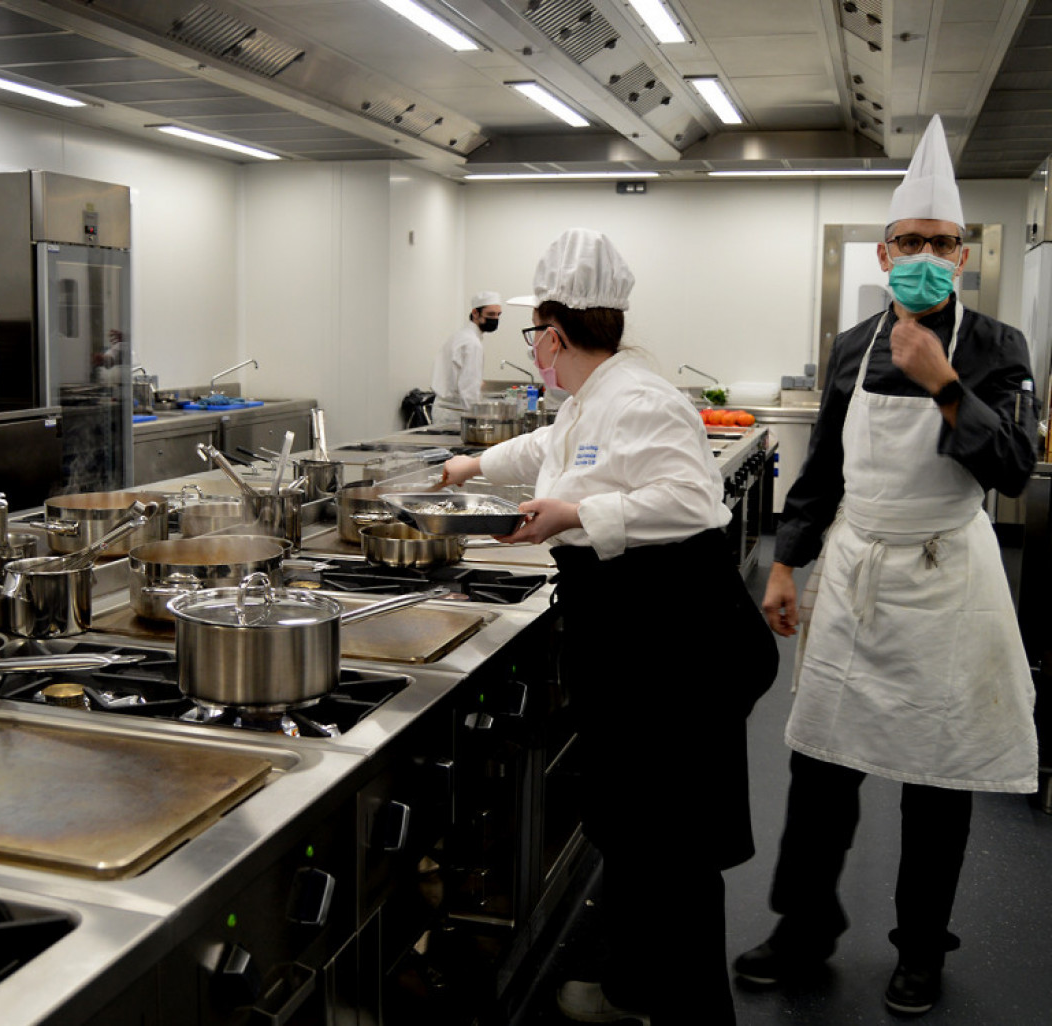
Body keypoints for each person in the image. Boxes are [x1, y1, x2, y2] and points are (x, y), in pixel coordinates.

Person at [735, 114, 1040, 1016]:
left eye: (941, 244)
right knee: (820, 767)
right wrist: (786, 566)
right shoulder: (849, 347)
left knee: (936, 775)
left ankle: (919, 950)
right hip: (856, 570)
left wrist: (945, 382)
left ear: (964, 257)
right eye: (908, 240)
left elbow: (1013, 471)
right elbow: (823, 466)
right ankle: (803, 928)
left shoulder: (996, 348)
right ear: (882, 252)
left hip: (946, 575)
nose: (924, 255)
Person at [441, 229, 778, 1025]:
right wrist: (472, 468)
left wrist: (575, 512)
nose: (532, 351)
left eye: (534, 337)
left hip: (673, 646)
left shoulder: (642, 397)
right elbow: (554, 446)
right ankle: (632, 988)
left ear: (554, 335)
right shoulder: (592, 397)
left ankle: (693, 1012)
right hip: (631, 636)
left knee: (673, 850)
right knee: (630, 830)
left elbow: (694, 503)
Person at [430, 291, 502, 423]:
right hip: (454, 414)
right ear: (475, 313)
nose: (495, 319)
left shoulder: (462, 336)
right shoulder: (472, 343)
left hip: (445, 409)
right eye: (491, 314)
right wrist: (481, 418)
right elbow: (469, 391)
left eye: (498, 315)